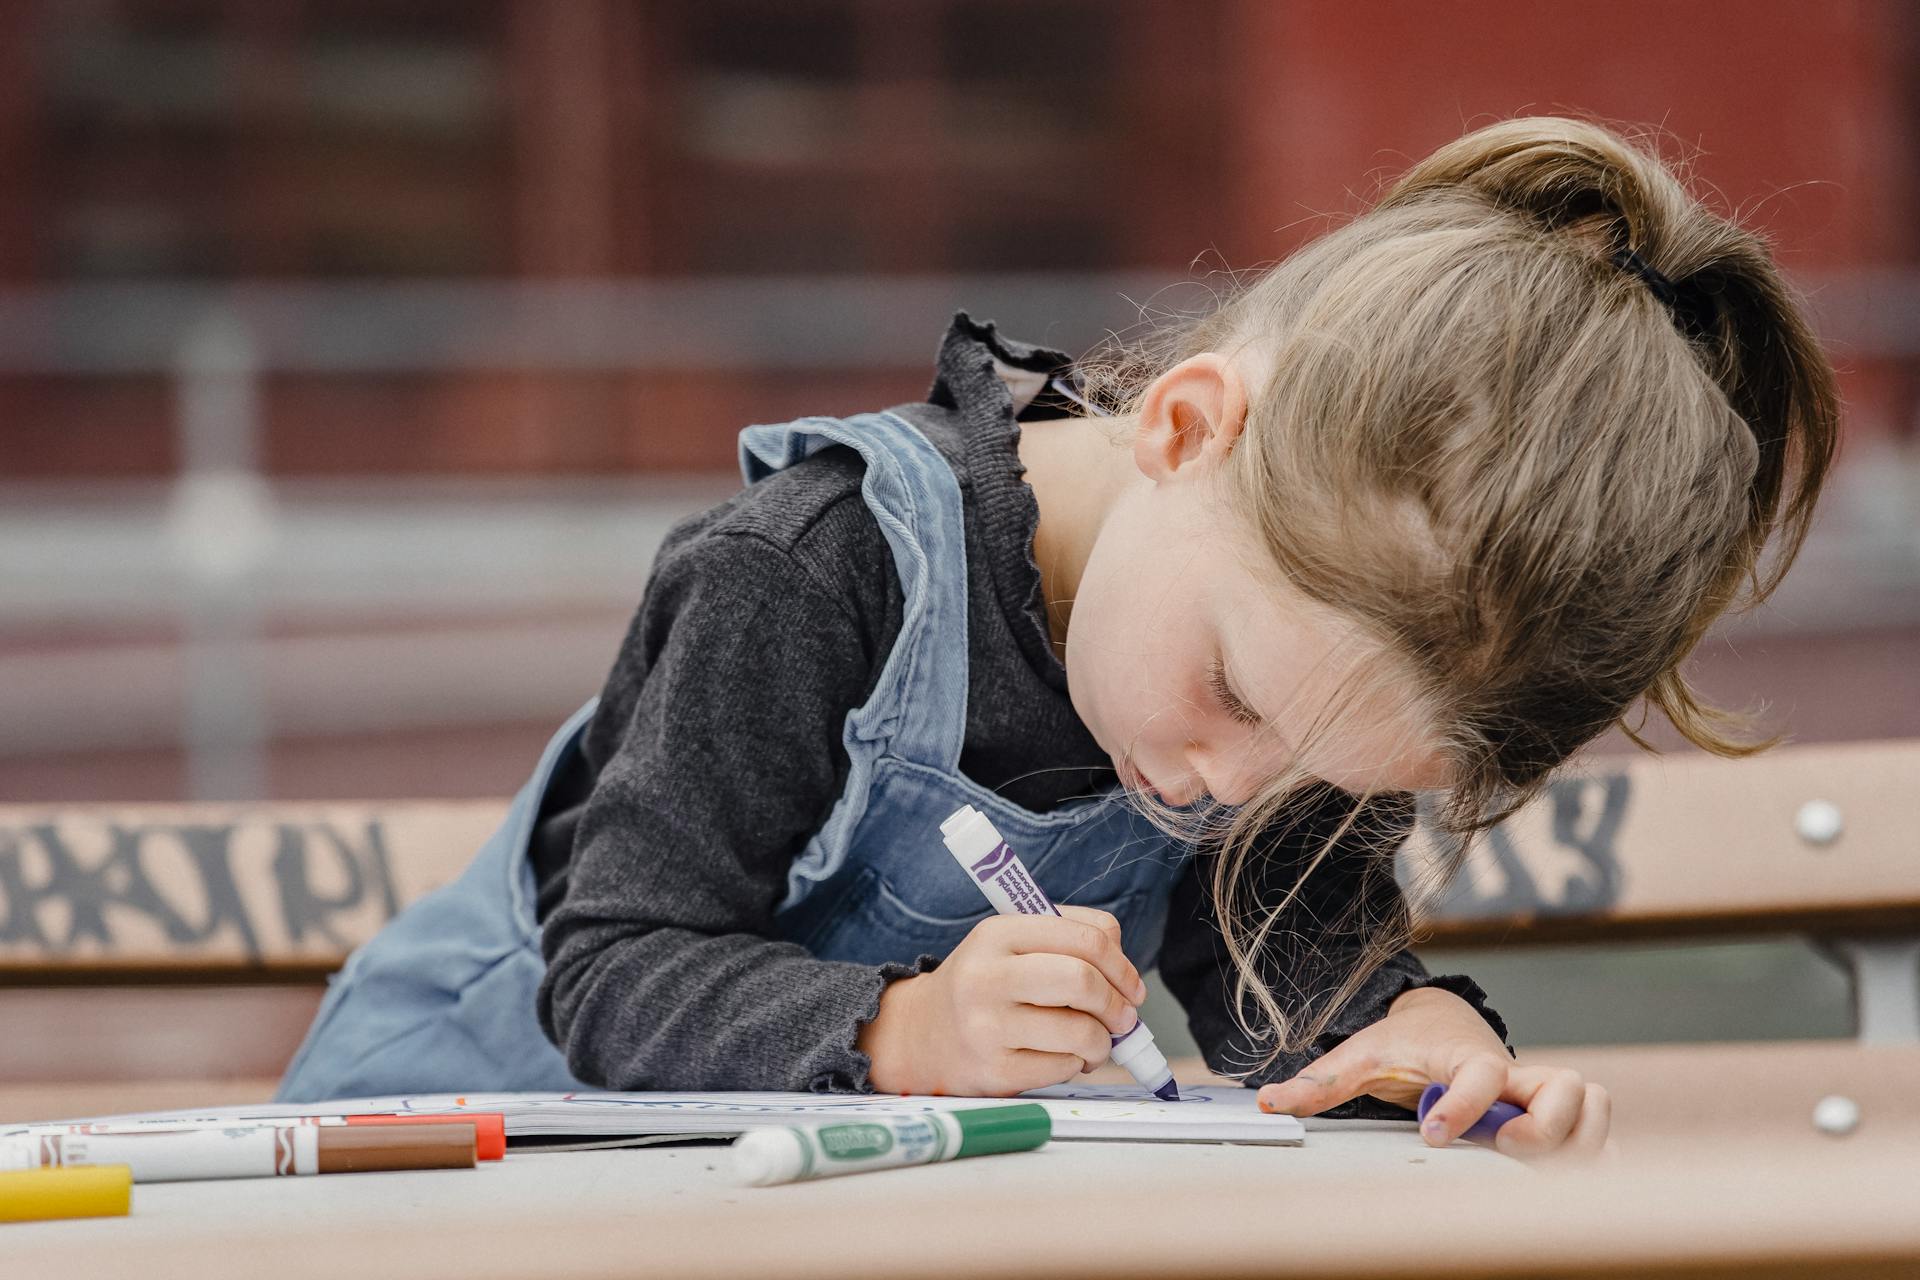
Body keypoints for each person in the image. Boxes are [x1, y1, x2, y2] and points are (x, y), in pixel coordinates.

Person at [276, 117, 1837, 1162]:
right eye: (1232, 693)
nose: (1219, 785)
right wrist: (905, 1028)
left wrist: (1404, 1033)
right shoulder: (811, 572)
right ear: (1185, 422)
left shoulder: (1313, 661)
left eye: (1317, 770)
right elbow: (614, 968)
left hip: (769, 1200)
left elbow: (1270, 946)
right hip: (446, 1139)